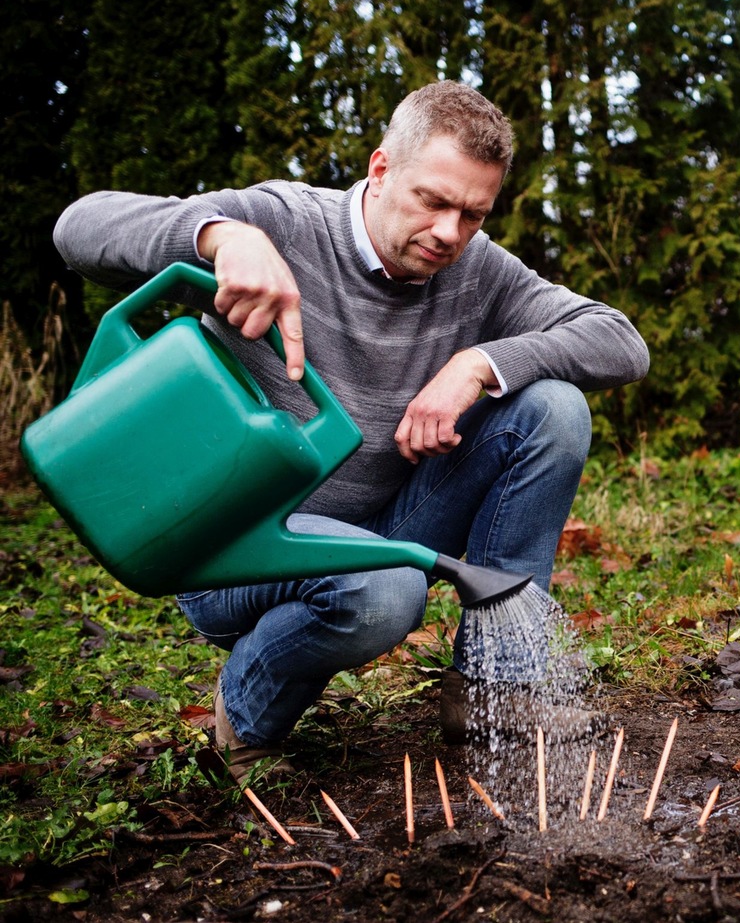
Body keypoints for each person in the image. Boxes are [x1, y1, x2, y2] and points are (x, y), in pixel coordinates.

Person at [54, 81, 650, 782]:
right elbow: (80, 226)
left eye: (473, 214)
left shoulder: (476, 272)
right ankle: (247, 712)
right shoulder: (279, 223)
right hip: (235, 547)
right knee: (386, 589)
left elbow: (620, 341)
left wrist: (478, 364)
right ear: (380, 169)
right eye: (433, 200)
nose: (450, 233)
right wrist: (223, 237)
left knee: (552, 407)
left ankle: (500, 690)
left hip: (382, 526)